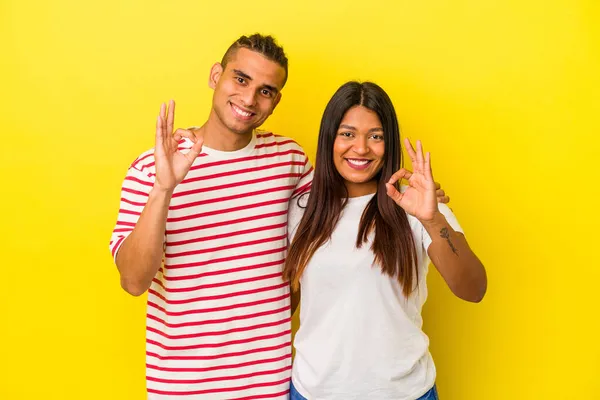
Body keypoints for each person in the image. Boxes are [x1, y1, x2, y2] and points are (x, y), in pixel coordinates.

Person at [283, 81, 487, 400]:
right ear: (329, 139)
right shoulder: (302, 211)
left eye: (375, 136)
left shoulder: (418, 205)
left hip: (404, 393)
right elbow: (287, 305)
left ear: (388, 142)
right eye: (347, 133)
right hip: (312, 392)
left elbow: (474, 289)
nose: (361, 148)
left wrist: (432, 219)